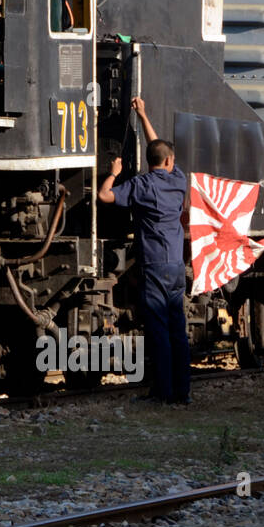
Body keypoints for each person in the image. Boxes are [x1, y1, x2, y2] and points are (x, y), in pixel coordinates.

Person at [97, 97, 190, 405]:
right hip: (176, 267)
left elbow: (104, 195)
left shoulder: (140, 185)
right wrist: (144, 116)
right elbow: (159, 148)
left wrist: (113, 171)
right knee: (178, 331)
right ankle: (183, 393)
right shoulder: (178, 181)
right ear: (169, 162)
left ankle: (162, 392)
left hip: (153, 267)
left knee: (159, 332)